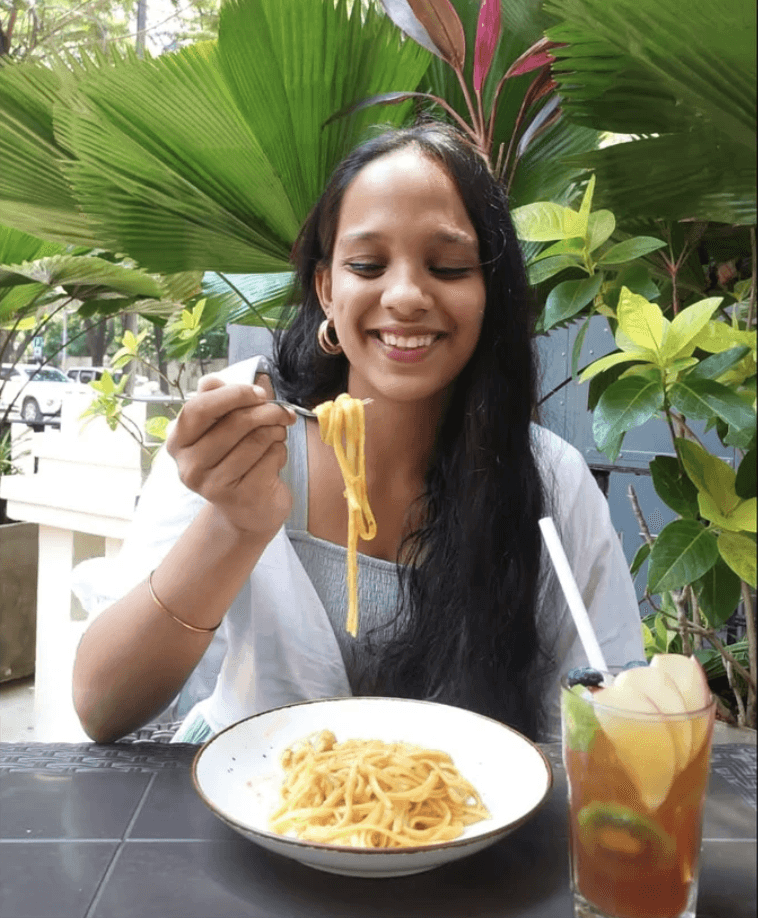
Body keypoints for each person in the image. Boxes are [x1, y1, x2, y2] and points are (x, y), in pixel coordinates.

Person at [72, 122, 644, 745]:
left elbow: (608, 722)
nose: (405, 296)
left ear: (490, 292)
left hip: (463, 798)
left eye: (448, 266)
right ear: (326, 289)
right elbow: (102, 707)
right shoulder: (243, 433)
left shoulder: (549, 478)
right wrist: (233, 525)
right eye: (368, 265)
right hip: (242, 790)